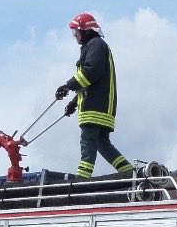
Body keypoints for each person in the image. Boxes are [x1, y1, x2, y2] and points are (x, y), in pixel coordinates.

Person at [55, 12, 134, 179]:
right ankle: (130, 173)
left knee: (87, 142)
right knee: (102, 144)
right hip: (102, 107)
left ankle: (81, 182)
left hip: (95, 108)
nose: (74, 35)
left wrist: (68, 86)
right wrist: (74, 102)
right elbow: (92, 82)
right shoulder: (96, 45)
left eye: (75, 31)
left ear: (85, 30)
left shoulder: (96, 45)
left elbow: (91, 71)